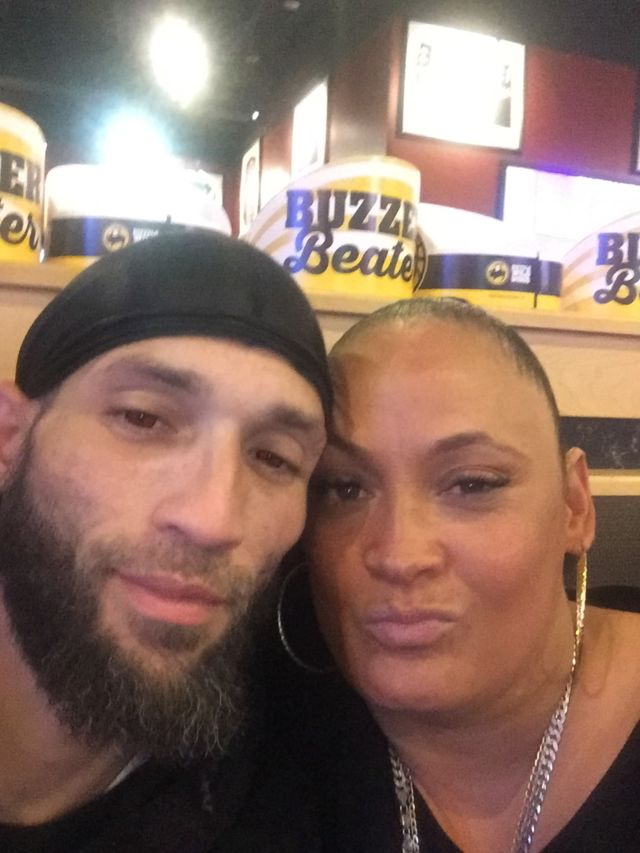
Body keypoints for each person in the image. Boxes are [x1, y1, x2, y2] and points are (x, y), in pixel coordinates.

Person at [0, 230, 331, 852]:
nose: (213, 521)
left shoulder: (306, 789)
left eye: (274, 458)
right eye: (143, 418)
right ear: (9, 438)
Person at [275, 297, 640, 852]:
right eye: (345, 488)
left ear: (574, 505)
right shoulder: (252, 743)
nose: (400, 556)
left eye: (472, 484)